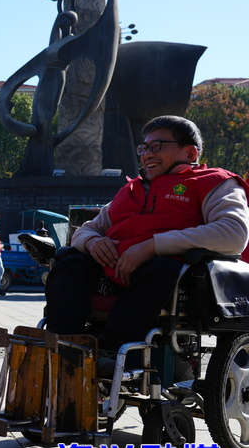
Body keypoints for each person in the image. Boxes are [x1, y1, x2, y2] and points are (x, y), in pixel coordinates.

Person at [45, 115, 249, 356]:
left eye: (157, 146)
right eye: (144, 147)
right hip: (108, 273)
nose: (146, 154)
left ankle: (108, 351)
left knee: (161, 269)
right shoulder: (130, 189)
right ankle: (62, 346)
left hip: (167, 280)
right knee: (69, 262)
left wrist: (152, 246)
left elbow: (233, 233)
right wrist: (93, 241)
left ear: (190, 154)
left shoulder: (216, 183)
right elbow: (88, 228)